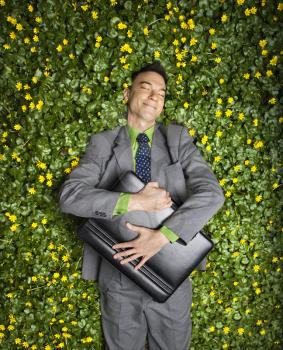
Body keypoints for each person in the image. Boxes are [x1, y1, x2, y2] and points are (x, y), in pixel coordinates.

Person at [59, 61, 225, 350]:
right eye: (145, 88)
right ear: (127, 94)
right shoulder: (103, 142)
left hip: (170, 272)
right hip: (118, 274)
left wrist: (162, 237)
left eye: (161, 93)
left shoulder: (177, 140)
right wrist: (135, 200)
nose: (154, 96)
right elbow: (71, 196)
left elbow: (212, 194)